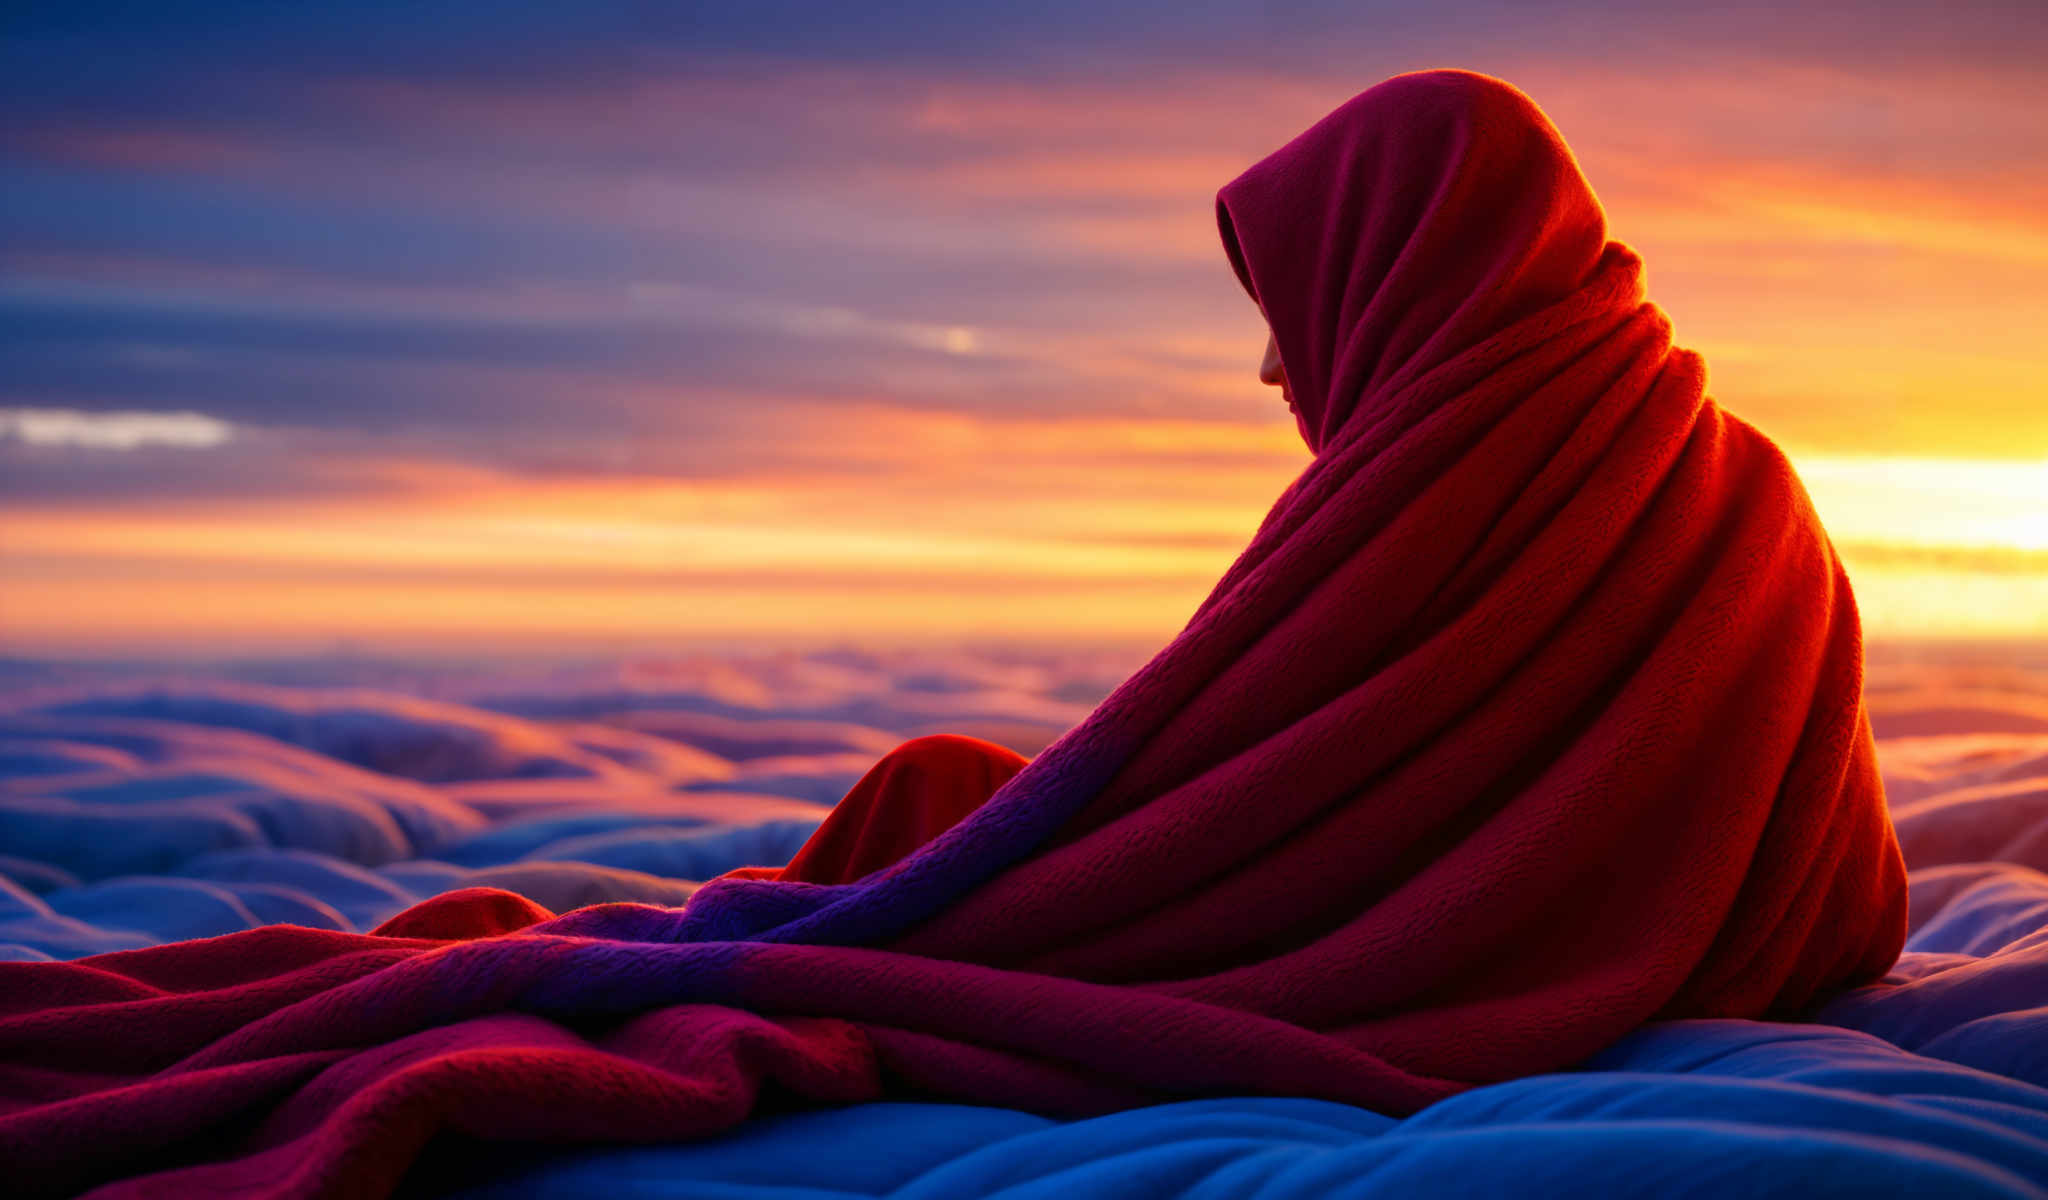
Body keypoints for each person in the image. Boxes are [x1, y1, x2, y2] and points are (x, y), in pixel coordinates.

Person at [2, 69, 1910, 1200]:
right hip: (1650, 955)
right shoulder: (1719, 462)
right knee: (929, 791)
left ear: (1405, 265)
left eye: (1290, 298)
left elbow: (1210, 784)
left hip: (1464, 985)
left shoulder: (1453, 463)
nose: (1269, 359)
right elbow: (1839, 883)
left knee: (811, 905)